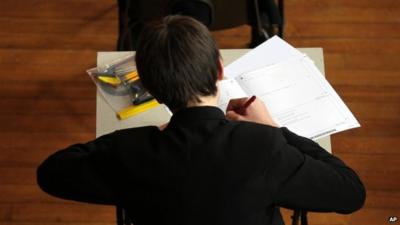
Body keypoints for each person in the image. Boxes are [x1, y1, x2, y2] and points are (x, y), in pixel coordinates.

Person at [37, 15, 365, 225]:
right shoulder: (266, 147)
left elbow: (51, 173)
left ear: (149, 88)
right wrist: (275, 130)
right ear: (220, 70)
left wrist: (144, 138)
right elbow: (351, 192)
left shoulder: (131, 153)